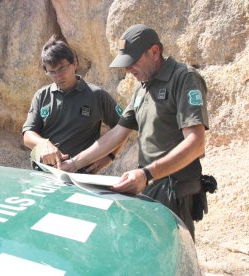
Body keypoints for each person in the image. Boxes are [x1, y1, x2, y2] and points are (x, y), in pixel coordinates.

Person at [60, 24, 209, 240]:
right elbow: (118, 132)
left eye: (132, 62)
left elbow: (196, 143)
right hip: (149, 185)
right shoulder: (142, 87)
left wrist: (147, 174)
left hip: (174, 189)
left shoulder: (184, 78)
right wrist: (73, 164)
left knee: (173, 258)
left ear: (155, 52)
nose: (128, 70)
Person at [22, 35, 124, 173]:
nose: (58, 76)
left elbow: (123, 127)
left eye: (62, 69)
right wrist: (44, 144)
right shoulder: (42, 96)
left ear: (74, 63)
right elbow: (28, 136)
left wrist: (110, 157)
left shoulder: (96, 95)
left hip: (80, 177)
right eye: (52, 72)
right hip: (43, 174)